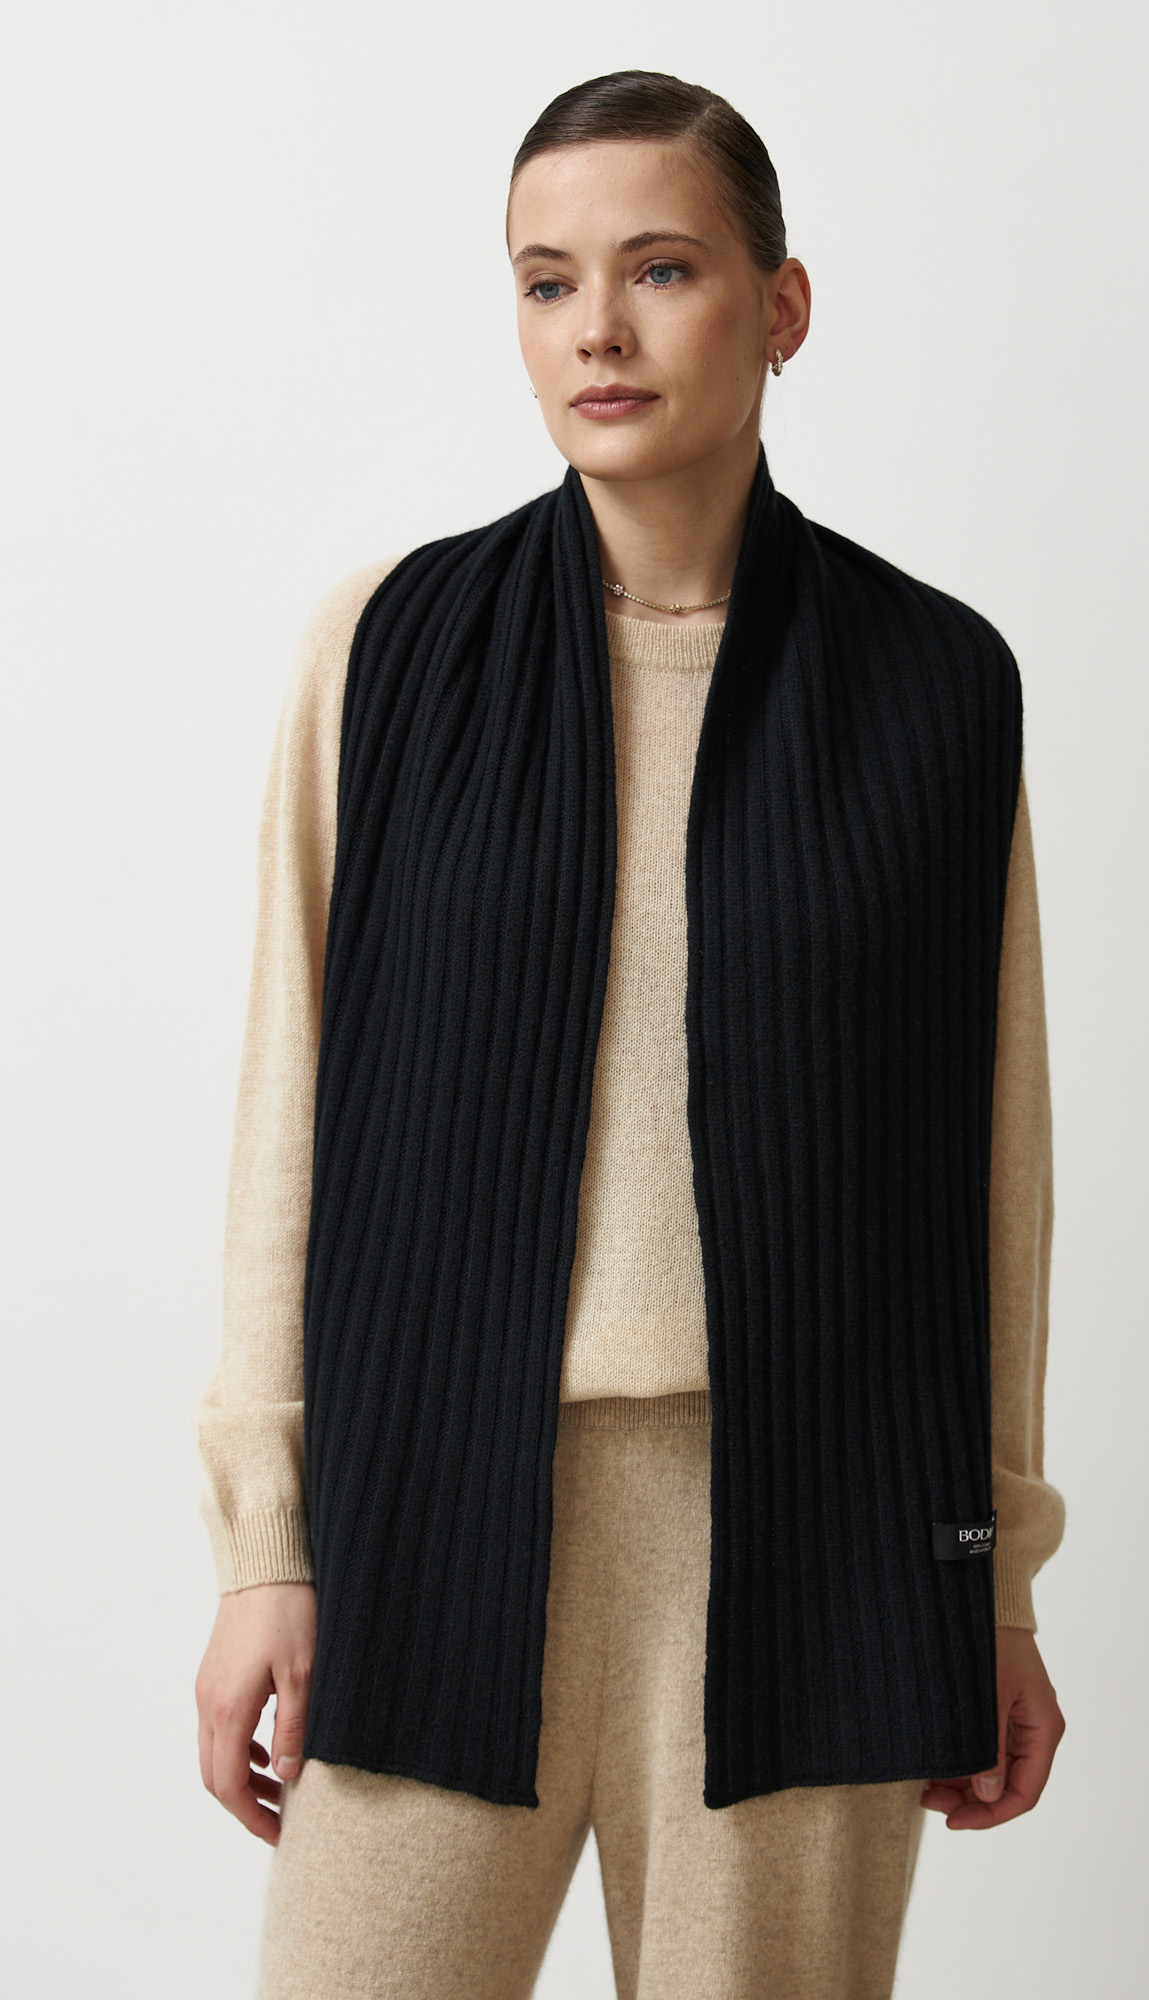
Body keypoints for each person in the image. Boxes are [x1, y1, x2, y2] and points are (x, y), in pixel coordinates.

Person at [193, 69, 1066, 2000]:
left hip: (814, 1529)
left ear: (782, 305)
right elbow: (291, 1105)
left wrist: (995, 1573)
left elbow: (992, 1161)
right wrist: (267, 1541)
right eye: (546, 281)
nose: (596, 329)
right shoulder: (389, 648)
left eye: (660, 269)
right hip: (437, 1504)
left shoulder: (935, 685)